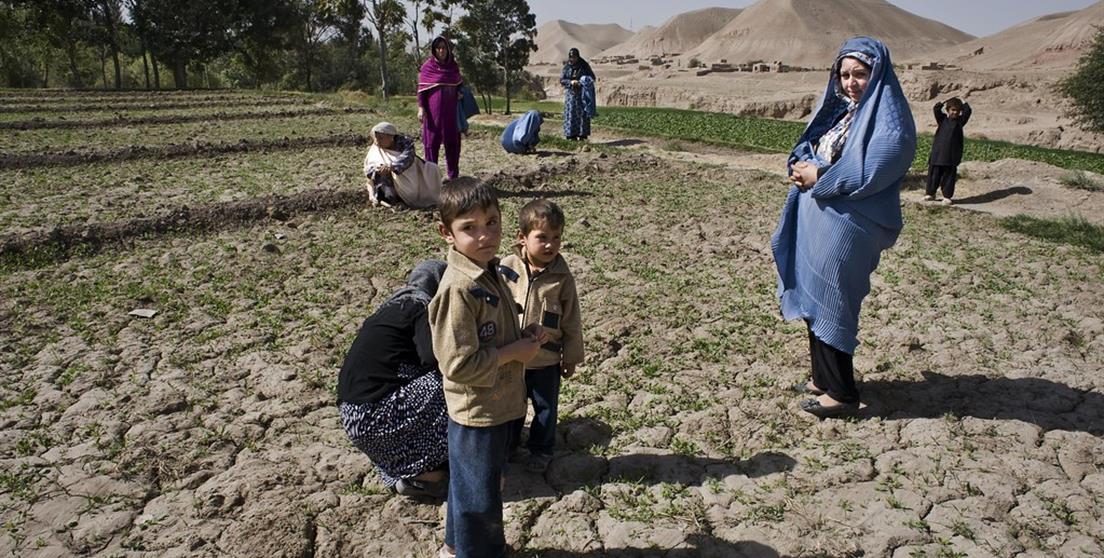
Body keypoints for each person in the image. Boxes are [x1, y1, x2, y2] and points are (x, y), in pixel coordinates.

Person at [770, 37, 916, 419]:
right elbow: (814, 146)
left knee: (833, 300)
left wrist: (818, 176)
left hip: (848, 226)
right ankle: (823, 380)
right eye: (845, 75)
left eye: (860, 74)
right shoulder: (846, 112)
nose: (851, 83)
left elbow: (870, 171)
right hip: (819, 221)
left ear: (877, 75)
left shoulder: (890, 125)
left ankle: (842, 394)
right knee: (814, 298)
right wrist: (802, 167)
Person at [428, 179, 546, 558]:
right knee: (481, 496)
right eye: (470, 227)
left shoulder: (489, 270)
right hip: (476, 412)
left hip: (494, 404)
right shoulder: (459, 289)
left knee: (470, 486)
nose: (485, 235)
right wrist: (513, 352)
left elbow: (488, 336)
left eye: (492, 222)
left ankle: (455, 548)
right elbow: (458, 364)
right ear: (446, 233)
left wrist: (522, 336)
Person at [337, 260, 450, 499]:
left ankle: (409, 476)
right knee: (457, 378)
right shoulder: (420, 306)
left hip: (353, 416)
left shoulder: (391, 308)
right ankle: (433, 472)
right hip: (377, 411)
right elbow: (432, 358)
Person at [500, 199, 584, 474]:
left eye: (556, 237)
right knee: (512, 407)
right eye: (542, 237)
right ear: (522, 237)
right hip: (513, 356)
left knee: (546, 408)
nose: (550, 245)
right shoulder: (506, 267)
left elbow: (571, 320)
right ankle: (509, 446)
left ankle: (541, 449)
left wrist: (570, 357)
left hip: (546, 360)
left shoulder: (562, 277)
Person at [363, 121, 442, 209]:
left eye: (381, 138)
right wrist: (379, 170)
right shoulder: (376, 149)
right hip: (390, 178)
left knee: (432, 169)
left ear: (391, 137)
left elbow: (408, 156)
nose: (377, 141)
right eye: (376, 138)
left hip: (409, 169)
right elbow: (370, 168)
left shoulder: (405, 142)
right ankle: (391, 199)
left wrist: (392, 166)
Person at [419, 36, 464, 181]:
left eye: (444, 48)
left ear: (448, 49)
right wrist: (421, 108)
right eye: (438, 48)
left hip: (451, 113)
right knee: (432, 144)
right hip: (433, 114)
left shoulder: (453, 67)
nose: (441, 50)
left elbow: (459, 84)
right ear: (434, 50)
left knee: (452, 143)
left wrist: (460, 92)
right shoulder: (427, 67)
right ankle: (432, 179)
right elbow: (422, 91)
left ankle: (453, 176)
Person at [925, 97, 972, 205]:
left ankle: (947, 196)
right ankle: (930, 194)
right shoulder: (942, 120)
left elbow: (968, 111)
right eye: (953, 110)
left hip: (951, 155)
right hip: (938, 154)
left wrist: (963, 101)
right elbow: (936, 109)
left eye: (957, 110)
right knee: (934, 175)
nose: (955, 112)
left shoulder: (960, 122)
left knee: (949, 176)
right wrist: (944, 100)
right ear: (948, 110)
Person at [561, 48, 595, 140]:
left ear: (578, 57)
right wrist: (570, 82)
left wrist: (582, 81)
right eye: (571, 57)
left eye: (574, 57)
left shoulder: (584, 66)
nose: (572, 59)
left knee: (582, 114)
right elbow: (562, 80)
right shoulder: (567, 67)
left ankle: (582, 135)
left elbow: (592, 78)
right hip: (571, 95)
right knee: (571, 114)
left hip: (582, 94)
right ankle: (570, 135)